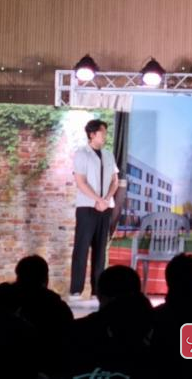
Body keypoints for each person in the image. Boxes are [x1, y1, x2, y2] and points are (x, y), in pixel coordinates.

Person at [69, 118, 119, 299]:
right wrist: (98, 199)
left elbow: (115, 181)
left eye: (105, 132)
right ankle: (76, 290)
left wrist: (106, 199)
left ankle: (97, 291)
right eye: (102, 132)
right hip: (87, 207)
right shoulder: (81, 154)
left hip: (105, 208)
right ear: (92, 134)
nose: (105, 135)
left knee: (100, 251)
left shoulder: (109, 155)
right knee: (81, 248)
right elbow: (81, 182)